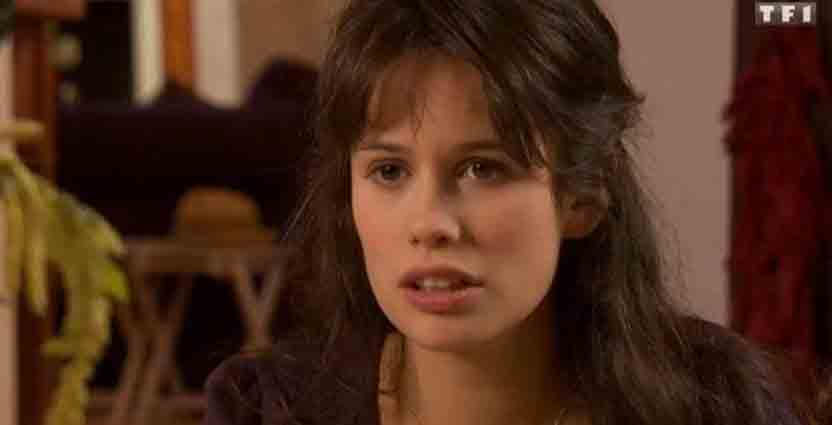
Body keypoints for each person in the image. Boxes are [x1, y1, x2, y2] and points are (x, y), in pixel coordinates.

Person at [202, 1, 808, 424]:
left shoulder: (720, 406)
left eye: (482, 168)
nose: (430, 224)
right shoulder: (265, 411)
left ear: (582, 195)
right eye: (389, 171)